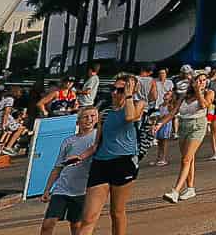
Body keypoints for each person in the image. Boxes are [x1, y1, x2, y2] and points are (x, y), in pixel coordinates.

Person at [80, 74, 146, 235]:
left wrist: (129, 95)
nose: (115, 93)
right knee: (89, 217)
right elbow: (97, 142)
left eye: (120, 90)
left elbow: (130, 117)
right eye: (113, 89)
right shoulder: (105, 111)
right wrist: (81, 156)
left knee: (116, 212)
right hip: (101, 163)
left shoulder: (138, 104)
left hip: (124, 162)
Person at [38, 108, 99, 235]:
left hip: (82, 190)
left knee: (76, 226)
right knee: (47, 224)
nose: (89, 119)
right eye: (85, 117)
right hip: (62, 188)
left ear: (97, 118)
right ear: (78, 122)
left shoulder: (98, 137)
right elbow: (58, 167)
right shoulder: (68, 141)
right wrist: (47, 189)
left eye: (92, 116)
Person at [164, 74, 213, 202]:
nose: (202, 82)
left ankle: (175, 191)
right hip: (183, 125)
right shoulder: (185, 95)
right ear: (193, 82)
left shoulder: (209, 92)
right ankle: (190, 188)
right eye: (199, 80)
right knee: (188, 159)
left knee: (186, 159)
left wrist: (198, 91)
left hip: (198, 125)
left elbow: (203, 105)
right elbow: (174, 112)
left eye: (204, 80)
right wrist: (159, 124)